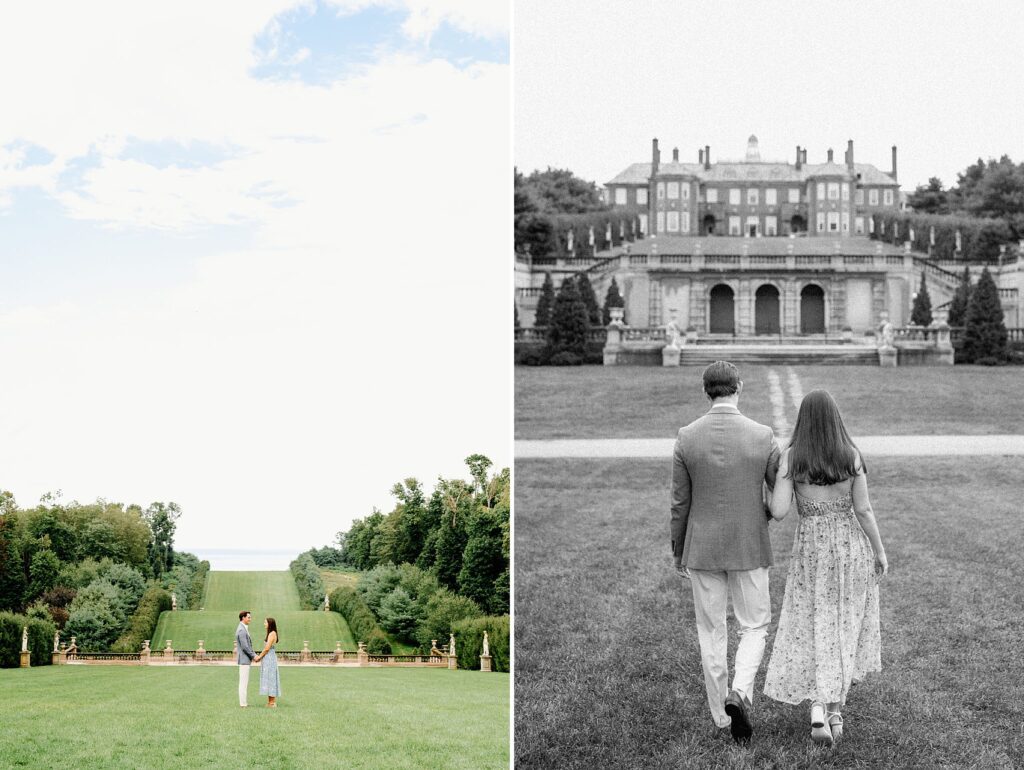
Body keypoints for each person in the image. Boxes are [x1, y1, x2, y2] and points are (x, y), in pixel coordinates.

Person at [763, 390, 888, 746]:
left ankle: (820, 706)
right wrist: (879, 552)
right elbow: (863, 510)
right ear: (835, 419)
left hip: (811, 554)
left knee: (814, 622)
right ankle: (832, 711)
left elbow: (779, 511)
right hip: (850, 550)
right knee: (841, 625)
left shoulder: (792, 458)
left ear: (803, 419)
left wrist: (769, 481)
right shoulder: (851, 456)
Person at [671, 361, 780, 743]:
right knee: (754, 626)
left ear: (706, 391)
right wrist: (767, 510)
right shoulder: (762, 435)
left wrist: (677, 548)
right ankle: (741, 691)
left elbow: (679, 503)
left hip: (701, 546)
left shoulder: (686, 436)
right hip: (749, 541)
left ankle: (721, 715)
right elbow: (779, 491)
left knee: (711, 630)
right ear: (740, 387)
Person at [253, 617, 281, 707]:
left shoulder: (272, 634)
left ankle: (272, 703)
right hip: (269, 658)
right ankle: (270, 702)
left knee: (271, 679)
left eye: (265, 622)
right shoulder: (271, 633)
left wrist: (259, 657)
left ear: (270, 623)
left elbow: (267, 648)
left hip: (269, 659)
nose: (264, 624)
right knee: (269, 678)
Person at [236, 611, 257, 708]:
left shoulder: (243, 629)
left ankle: (244, 703)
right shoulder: (241, 630)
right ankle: (243, 704)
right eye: (248, 617)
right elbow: (245, 647)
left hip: (245, 660)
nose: (250, 619)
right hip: (244, 660)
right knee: (243, 683)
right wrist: (254, 656)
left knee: (244, 682)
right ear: (243, 618)